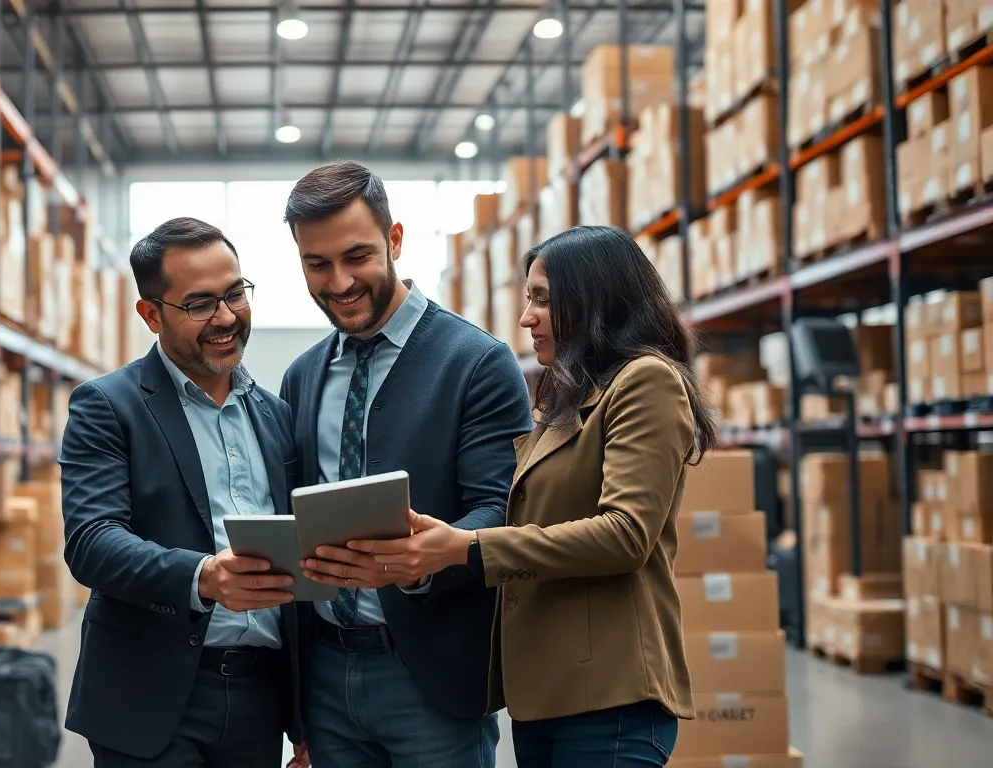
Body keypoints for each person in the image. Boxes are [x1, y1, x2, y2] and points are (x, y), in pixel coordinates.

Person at [348, 225, 720, 767]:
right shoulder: (568, 403)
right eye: (528, 300)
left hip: (609, 696)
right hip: (547, 693)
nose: (527, 318)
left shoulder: (646, 383)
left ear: (593, 298)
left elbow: (626, 535)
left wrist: (467, 547)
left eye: (541, 299)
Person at [277, 161, 534, 768]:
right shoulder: (303, 375)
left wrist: (427, 561)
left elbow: (501, 508)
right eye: (317, 264)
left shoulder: (477, 363)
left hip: (429, 678)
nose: (338, 281)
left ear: (394, 240)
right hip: (327, 680)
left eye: (357, 256)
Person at [59, 217, 308, 768]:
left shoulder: (277, 416)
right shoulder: (108, 406)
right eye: (199, 304)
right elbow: (92, 541)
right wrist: (203, 577)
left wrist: (304, 718)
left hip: (260, 698)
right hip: (151, 695)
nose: (225, 318)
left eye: (234, 294)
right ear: (151, 314)